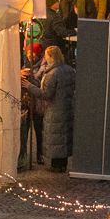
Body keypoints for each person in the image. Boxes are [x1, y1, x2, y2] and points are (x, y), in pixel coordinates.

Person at [37, 45, 76, 173]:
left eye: (46, 56)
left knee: (56, 136)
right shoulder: (70, 70)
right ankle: (62, 164)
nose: (45, 58)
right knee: (63, 136)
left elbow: (46, 94)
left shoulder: (53, 73)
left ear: (51, 57)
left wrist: (31, 86)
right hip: (68, 107)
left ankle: (56, 165)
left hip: (55, 109)